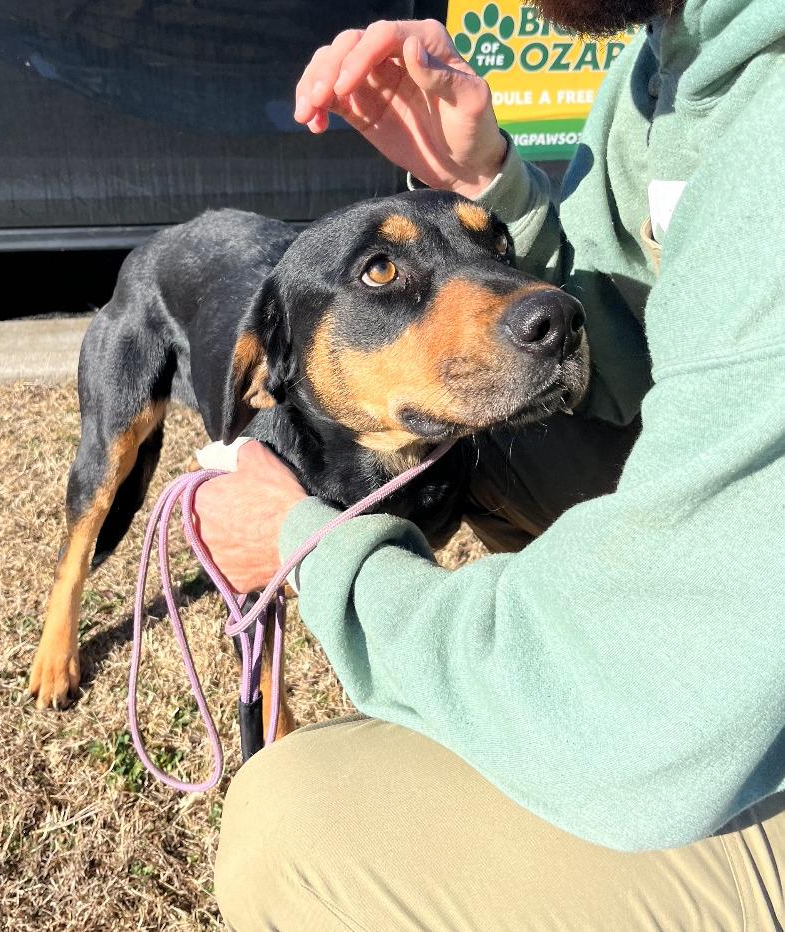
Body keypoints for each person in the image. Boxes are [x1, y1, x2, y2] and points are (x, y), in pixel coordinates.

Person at [198, 3, 785, 928]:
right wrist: (488, 181)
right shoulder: (662, 58)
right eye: (382, 277)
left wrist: (304, 549)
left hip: (711, 713)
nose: (535, 306)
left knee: (288, 826)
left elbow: (650, 697)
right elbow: (639, 337)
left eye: (491, 251)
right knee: (510, 446)